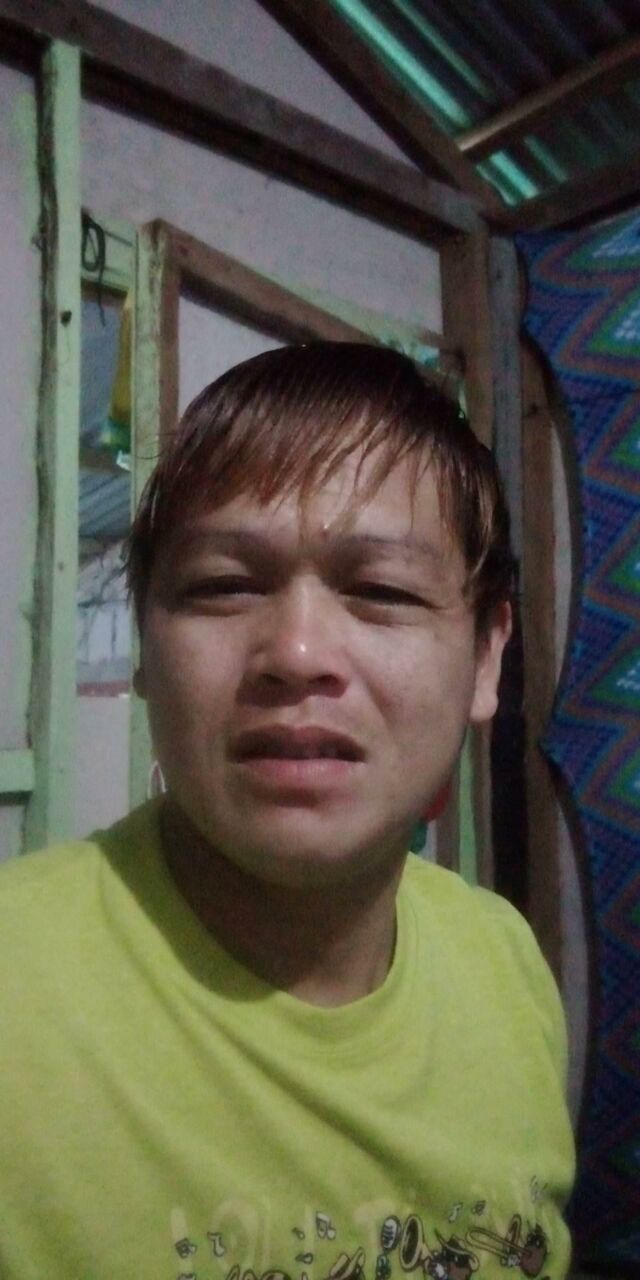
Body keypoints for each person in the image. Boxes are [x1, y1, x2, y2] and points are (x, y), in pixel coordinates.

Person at [0, 344, 574, 1280]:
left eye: (382, 591)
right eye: (223, 586)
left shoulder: (508, 966)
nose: (298, 654)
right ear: (144, 643)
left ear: (486, 656)